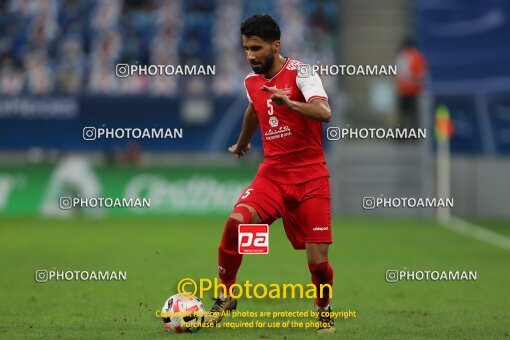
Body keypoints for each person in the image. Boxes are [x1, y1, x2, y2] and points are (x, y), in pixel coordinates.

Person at [204, 14, 335, 333]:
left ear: (275, 46)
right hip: (273, 177)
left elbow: (324, 112)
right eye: (246, 49)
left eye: (256, 48)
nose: (249, 56)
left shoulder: (302, 72)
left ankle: (324, 309)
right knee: (236, 224)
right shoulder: (251, 82)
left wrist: (289, 103)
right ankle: (226, 296)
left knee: (318, 263)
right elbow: (253, 108)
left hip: (311, 179)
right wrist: (242, 143)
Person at [395, 38, 427, 132]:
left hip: (404, 89)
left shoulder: (401, 56)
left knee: (403, 115)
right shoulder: (418, 56)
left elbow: (399, 73)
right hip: (415, 90)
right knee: (414, 115)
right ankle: (415, 134)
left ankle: (402, 134)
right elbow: (422, 74)